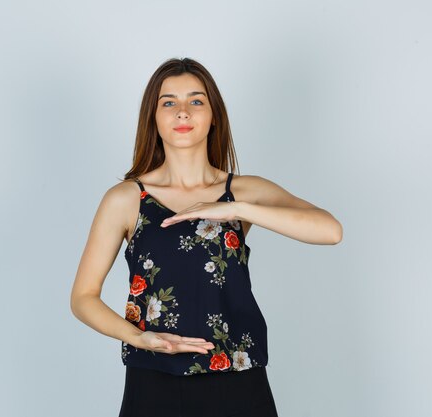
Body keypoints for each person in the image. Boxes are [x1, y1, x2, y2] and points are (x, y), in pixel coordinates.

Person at [70, 57, 343, 417]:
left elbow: (330, 230)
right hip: (153, 378)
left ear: (214, 115)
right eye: (169, 102)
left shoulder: (243, 191)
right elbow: (83, 297)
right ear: (153, 116)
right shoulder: (125, 199)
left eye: (196, 101)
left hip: (238, 379)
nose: (183, 112)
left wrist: (236, 210)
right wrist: (138, 337)